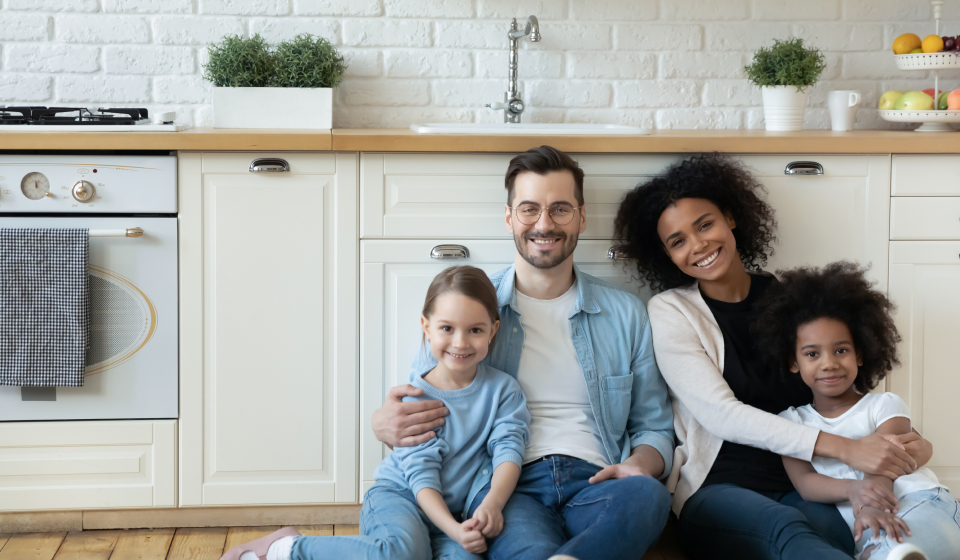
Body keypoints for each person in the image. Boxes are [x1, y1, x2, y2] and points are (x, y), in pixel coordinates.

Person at [612, 154, 935, 560]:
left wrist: (910, 448)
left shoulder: (795, 299)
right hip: (719, 490)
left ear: (730, 218)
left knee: (846, 533)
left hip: (811, 483)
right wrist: (845, 449)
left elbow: (846, 391)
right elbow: (720, 415)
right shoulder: (671, 311)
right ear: (666, 255)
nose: (698, 245)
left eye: (705, 224)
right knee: (786, 529)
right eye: (678, 241)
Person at [373, 146, 675, 560]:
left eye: (560, 209)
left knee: (648, 496)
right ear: (509, 216)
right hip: (508, 488)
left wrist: (640, 464)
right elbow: (425, 408)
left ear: (582, 217)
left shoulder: (625, 313)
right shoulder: (470, 310)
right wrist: (384, 424)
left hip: (598, 479)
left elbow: (653, 426)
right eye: (529, 209)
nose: (544, 224)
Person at [219, 266, 530, 560]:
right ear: (426, 327)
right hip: (399, 497)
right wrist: (454, 530)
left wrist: (492, 504)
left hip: (454, 515)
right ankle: (289, 549)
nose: (460, 342)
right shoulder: (416, 398)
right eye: (447, 328)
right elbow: (421, 477)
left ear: (493, 330)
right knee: (400, 552)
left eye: (475, 329)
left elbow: (508, 450)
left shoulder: (504, 391)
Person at [754, 262, 960, 560]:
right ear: (793, 362)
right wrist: (853, 491)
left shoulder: (885, 405)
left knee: (897, 544)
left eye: (841, 350)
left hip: (920, 503)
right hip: (865, 525)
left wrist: (872, 506)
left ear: (860, 354)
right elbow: (806, 483)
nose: (829, 363)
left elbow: (885, 465)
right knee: (877, 549)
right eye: (812, 353)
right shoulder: (791, 423)